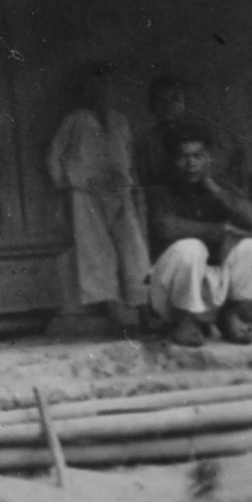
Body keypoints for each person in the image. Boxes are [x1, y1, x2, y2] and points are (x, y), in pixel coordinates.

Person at [146, 121, 252, 346]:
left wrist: (217, 192)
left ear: (209, 158)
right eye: (183, 157)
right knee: (190, 248)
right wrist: (223, 230)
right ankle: (183, 320)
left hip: (213, 283)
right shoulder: (161, 190)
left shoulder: (220, 187)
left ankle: (228, 315)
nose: (191, 163)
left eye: (198, 156)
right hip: (170, 288)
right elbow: (165, 226)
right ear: (172, 160)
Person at [46, 65, 149, 332]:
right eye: (92, 88)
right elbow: (54, 155)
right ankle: (112, 308)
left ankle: (141, 305)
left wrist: (132, 184)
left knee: (132, 248)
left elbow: (129, 155)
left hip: (120, 193)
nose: (99, 93)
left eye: (105, 87)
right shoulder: (76, 120)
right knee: (96, 249)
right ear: (84, 92)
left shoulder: (119, 120)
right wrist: (65, 186)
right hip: (86, 194)